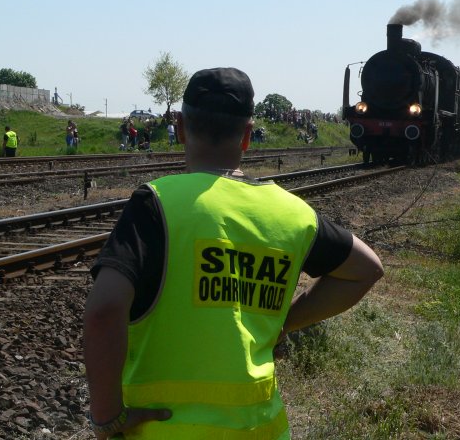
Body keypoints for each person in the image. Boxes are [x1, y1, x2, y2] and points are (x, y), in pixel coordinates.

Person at [84, 67, 383, 440]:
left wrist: (106, 416)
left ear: (179, 126)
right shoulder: (292, 213)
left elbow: (103, 311)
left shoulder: (156, 205)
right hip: (262, 430)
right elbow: (367, 268)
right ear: (246, 135)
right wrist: (285, 322)